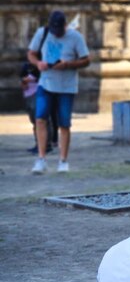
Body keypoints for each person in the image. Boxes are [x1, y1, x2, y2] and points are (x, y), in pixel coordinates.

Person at [28, 10, 90, 174]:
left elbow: (86, 60)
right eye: (54, 30)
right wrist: (38, 63)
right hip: (46, 82)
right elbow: (31, 53)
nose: (57, 33)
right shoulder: (43, 33)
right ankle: (41, 159)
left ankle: (63, 160)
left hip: (66, 86)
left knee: (64, 123)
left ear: (65, 25)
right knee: (40, 118)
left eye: (59, 30)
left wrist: (68, 64)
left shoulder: (75, 37)